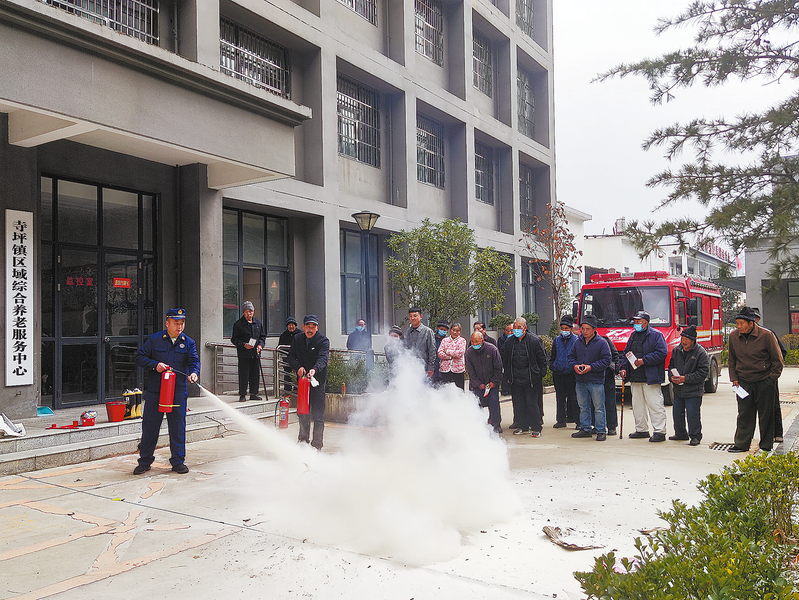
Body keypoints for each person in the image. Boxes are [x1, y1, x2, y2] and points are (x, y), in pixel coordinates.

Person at [133, 308, 200, 475]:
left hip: (177, 391)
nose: (180, 326)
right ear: (167, 323)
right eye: (176, 323)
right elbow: (140, 357)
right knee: (150, 427)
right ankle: (145, 461)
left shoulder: (189, 342)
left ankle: (178, 461)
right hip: (156, 391)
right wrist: (155, 365)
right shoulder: (155, 339)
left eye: (182, 323)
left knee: (177, 428)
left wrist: (194, 373)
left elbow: (194, 361)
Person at [726, 306, 784, 453]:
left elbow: (777, 360)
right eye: (737, 323)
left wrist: (771, 379)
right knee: (744, 414)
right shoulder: (733, 336)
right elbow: (731, 360)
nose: (738, 326)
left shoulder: (766, 335)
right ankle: (741, 444)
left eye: (741, 323)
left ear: (751, 323)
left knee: (766, 415)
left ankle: (766, 445)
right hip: (743, 382)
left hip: (764, 380)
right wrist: (734, 379)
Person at [619, 310, 668, 442]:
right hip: (635, 376)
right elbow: (626, 353)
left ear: (645, 323)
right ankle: (641, 429)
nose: (636, 323)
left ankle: (660, 431)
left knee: (655, 404)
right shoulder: (633, 336)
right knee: (637, 405)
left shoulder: (656, 335)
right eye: (635, 321)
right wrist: (623, 368)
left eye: (638, 321)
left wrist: (644, 360)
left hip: (650, 377)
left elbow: (662, 353)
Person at [287, 314, 330, 450]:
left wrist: (314, 370)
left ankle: (317, 445)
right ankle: (303, 440)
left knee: (318, 415)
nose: (310, 330)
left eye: (313, 327)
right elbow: (290, 357)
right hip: (303, 382)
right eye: (308, 326)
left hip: (317, 382)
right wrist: (298, 367)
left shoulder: (323, 341)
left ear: (317, 328)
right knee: (303, 412)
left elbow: (323, 358)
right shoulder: (297, 339)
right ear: (303, 327)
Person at [502, 316, 548, 437]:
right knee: (519, 404)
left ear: (525, 328)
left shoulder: (534, 340)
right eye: (514, 327)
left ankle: (536, 427)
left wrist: (540, 374)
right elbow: (505, 360)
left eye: (519, 327)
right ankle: (523, 426)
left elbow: (542, 359)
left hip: (531, 379)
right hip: (515, 379)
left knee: (532, 404)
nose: (516, 329)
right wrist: (508, 375)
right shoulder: (509, 342)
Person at [568, 315, 611, 441]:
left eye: (588, 329)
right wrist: (575, 366)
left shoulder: (602, 343)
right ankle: (585, 428)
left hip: (596, 380)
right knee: (583, 406)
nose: (585, 331)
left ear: (594, 329)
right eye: (583, 328)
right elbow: (570, 356)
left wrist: (591, 367)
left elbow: (606, 360)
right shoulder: (578, 342)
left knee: (599, 407)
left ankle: (601, 430)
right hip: (580, 380)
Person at [668, 325, 709, 446]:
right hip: (678, 389)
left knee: (692, 415)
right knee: (677, 413)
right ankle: (680, 433)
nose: (683, 342)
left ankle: (695, 436)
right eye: (682, 339)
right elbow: (671, 366)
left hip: (693, 390)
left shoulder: (701, 353)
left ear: (693, 340)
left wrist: (685, 378)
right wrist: (672, 377)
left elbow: (703, 373)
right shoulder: (677, 350)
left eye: (686, 339)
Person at [752, 307, 787, 442]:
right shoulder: (739, 335)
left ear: (757, 320)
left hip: (767, 377)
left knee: (772, 405)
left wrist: (772, 373)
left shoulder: (767, 334)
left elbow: (781, 353)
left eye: (753, 319)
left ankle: (777, 433)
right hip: (749, 378)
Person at [465, 331, 504, 433]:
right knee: (477, 404)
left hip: (492, 383)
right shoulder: (469, 352)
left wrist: (494, 381)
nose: (474, 344)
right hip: (478, 384)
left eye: (476, 341)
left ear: (482, 341)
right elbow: (471, 371)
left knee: (494, 402)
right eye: (472, 341)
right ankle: (479, 426)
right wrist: (478, 383)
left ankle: (496, 425)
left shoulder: (492, 349)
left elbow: (498, 367)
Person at [230, 301, 266, 402]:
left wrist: (260, 345)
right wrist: (244, 345)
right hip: (244, 354)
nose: (248, 314)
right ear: (243, 313)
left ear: (253, 312)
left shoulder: (258, 323)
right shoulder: (238, 324)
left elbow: (262, 336)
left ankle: (254, 393)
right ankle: (242, 394)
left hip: (255, 353)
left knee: (255, 374)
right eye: (246, 312)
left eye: (250, 311)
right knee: (244, 374)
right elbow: (234, 339)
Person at [550, 314, 579, 428]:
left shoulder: (576, 340)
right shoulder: (556, 340)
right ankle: (561, 420)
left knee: (574, 398)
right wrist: (553, 366)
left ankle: (578, 421)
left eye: (566, 328)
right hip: (558, 373)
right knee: (560, 398)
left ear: (571, 328)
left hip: (571, 373)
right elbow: (553, 355)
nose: (564, 330)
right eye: (562, 328)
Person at [404, 307, 437, 378]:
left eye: (415, 315)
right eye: (410, 316)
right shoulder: (407, 332)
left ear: (421, 317)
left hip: (424, 368)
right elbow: (405, 349)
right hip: (410, 368)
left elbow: (432, 350)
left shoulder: (428, 331)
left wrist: (430, 367)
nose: (412, 318)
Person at [599, 332, 620, 436]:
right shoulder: (583, 341)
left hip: (607, 375)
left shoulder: (605, 340)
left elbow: (615, 355)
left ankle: (611, 426)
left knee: (610, 401)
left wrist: (615, 369)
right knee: (595, 403)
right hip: (592, 376)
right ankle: (597, 426)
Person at [438, 322, 467, 389]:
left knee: (459, 391)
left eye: (457, 331)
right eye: (453, 330)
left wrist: (447, 351)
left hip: (458, 370)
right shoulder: (445, 340)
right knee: (445, 390)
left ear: (460, 332)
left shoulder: (462, 341)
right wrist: (450, 356)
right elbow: (440, 353)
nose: (455, 332)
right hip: (445, 370)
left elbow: (459, 353)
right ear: (450, 330)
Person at [278, 317, 301, 393]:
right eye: (289, 325)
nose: (291, 326)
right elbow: (280, 347)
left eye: (292, 325)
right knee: (287, 375)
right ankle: (287, 391)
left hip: (298, 359)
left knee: (298, 374)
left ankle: (297, 390)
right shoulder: (283, 335)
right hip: (287, 359)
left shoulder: (300, 334)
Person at [497, 323, 513, 397]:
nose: (509, 333)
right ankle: (505, 391)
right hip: (504, 362)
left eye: (511, 331)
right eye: (507, 331)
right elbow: (501, 351)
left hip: (513, 362)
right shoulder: (501, 339)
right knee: (505, 377)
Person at [432, 319, 450, 385]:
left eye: (445, 330)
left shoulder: (448, 341)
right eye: (441, 329)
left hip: (445, 370)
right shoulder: (432, 339)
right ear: (437, 328)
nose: (443, 331)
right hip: (433, 369)